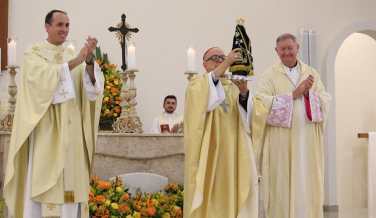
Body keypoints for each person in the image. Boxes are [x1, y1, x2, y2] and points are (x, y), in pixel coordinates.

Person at [3, 10, 103, 218]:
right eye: (59, 25)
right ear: (47, 27)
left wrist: (90, 61)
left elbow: (92, 90)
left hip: (73, 130)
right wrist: (78, 60)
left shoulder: (72, 56)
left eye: (67, 25)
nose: (64, 30)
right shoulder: (34, 54)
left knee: (72, 185)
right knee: (45, 182)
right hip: (47, 131)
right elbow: (42, 84)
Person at [183, 47, 267, 218]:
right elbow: (201, 100)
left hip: (235, 153)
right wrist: (228, 61)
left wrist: (244, 92)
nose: (221, 60)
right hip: (209, 153)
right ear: (204, 64)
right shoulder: (197, 85)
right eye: (215, 58)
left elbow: (254, 116)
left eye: (223, 57)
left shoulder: (236, 85)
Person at [255, 34, 331, 218]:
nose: (287, 52)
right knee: (282, 180)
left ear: (297, 48)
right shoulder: (269, 75)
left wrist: (309, 95)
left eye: (290, 48)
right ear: (276, 51)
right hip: (280, 140)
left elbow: (325, 99)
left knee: (306, 179)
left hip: (307, 139)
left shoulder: (311, 73)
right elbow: (261, 104)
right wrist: (294, 95)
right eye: (282, 49)